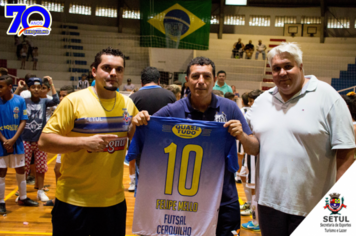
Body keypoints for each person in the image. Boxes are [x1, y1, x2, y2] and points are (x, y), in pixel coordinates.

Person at [131, 56, 260, 236]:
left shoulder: (229, 108)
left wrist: (242, 136)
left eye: (206, 76)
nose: (201, 82)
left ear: (214, 80)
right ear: (187, 81)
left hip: (223, 199)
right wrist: (137, 121)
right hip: (184, 202)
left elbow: (254, 148)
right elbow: (141, 133)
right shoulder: (172, 110)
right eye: (195, 76)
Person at [245, 42, 355, 236]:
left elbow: (347, 152)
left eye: (288, 66)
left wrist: (339, 200)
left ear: (301, 66)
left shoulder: (328, 97)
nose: (282, 73)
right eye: (276, 68)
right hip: (268, 203)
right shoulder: (262, 101)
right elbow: (256, 145)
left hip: (312, 205)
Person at [38, 47, 138, 236]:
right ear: (94, 71)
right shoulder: (73, 101)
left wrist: (139, 123)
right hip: (73, 202)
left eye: (119, 69)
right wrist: (83, 143)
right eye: (107, 68)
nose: (113, 73)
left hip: (113, 202)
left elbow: (132, 136)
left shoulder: (128, 104)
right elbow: (44, 141)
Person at [127, 66, 176, 192]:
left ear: (141, 82)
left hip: (143, 146)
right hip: (166, 145)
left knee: (143, 182)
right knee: (165, 182)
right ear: (159, 81)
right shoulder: (170, 95)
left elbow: (129, 125)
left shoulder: (133, 97)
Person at [0, 75, 38, 214]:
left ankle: (23, 197)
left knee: (21, 169)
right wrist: (5, 140)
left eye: (1, 87)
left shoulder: (19, 100)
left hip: (17, 142)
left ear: (10, 87)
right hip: (1, 142)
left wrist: (14, 139)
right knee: (1, 172)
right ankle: (1, 202)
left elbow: (23, 120)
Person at [22, 77, 59, 202]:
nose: (37, 89)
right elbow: (13, 100)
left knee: (41, 167)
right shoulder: (24, 101)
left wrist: (51, 83)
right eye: (33, 87)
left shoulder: (44, 102)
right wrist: (20, 88)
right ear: (29, 88)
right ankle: (21, 192)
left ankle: (40, 190)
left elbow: (56, 100)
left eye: (39, 87)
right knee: (24, 168)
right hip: (25, 139)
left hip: (40, 140)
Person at [44, 85, 75, 207]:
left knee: (70, 172)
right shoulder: (59, 107)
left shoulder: (76, 107)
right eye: (60, 95)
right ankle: (59, 197)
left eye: (64, 95)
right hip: (63, 142)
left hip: (74, 143)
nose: (61, 98)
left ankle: (67, 198)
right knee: (57, 170)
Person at [241, 89, 263, 232]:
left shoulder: (259, 114)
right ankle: (250, 205)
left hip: (255, 157)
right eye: (248, 101)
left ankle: (256, 221)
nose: (250, 103)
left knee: (255, 189)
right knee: (243, 177)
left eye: (252, 100)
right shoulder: (252, 113)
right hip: (248, 156)